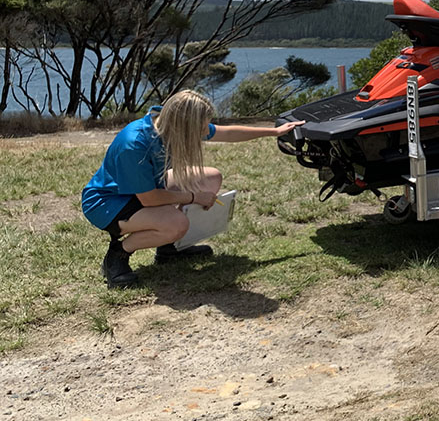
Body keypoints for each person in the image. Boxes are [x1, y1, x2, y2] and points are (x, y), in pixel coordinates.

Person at [80, 90, 304, 288]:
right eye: (200, 127)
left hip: (146, 187)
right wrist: (194, 196)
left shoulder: (171, 123)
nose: (203, 131)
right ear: (183, 124)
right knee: (177, 223)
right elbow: (149, 199)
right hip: (109, 203)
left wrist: (273, 132)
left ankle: (170, 248)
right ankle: (118, 254)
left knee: (211, 178)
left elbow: (227, 133)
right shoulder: (135, 143)